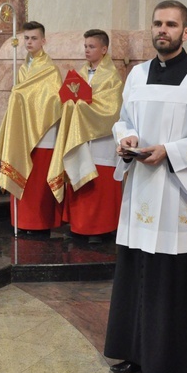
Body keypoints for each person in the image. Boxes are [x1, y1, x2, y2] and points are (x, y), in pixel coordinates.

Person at [103, 0, 187, 373]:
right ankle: (136, 351)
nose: (163, 30)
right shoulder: (137, 75)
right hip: (142, 189)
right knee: (138, 273)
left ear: (185, 32)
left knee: (177, 282)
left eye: (171, 24)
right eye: (158, 23)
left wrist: (170, 152)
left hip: (180, 196)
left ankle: (179, 363)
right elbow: (125, 118)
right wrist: (124, 138)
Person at [51, 29, 123, 244]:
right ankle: (79, 225)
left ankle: (101, 228)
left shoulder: (112, 77)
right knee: (78, 178)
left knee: (100, 186)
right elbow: (69, 98)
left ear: (104, 49)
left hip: (101, 139)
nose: (87, 50)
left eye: (92, 46)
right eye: (85, 46)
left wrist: (80, 106)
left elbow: (112, 109)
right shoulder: (80, 74)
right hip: (80, 138)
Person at [0, 20, 63, 234]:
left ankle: (39, 224)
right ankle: (22, 222)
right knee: (24, 177)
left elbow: (53, 99)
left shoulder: (50, 69)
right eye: (26, 38)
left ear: (43, 40)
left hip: (43, 133)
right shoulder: (24, 67)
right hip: (23, 133)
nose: (29, 42)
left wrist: (21, 95)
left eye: (34, 38)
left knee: (38, 183)